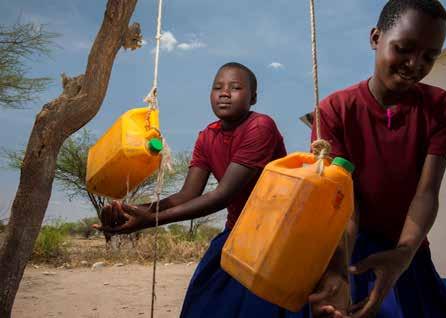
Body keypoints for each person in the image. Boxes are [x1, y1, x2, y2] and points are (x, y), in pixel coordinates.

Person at [94, 62, 311, 317]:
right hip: (237, 233)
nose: (224, 93)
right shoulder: (206, 136)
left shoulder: (260, 127)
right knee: (202, 304)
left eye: (236, 87)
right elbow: (186, 195)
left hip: (276, 237)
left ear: (253, 97)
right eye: (217, 87)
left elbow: (222, 195)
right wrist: (133, 211)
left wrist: (149, 220)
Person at [309, 1, 446, 317]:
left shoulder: (442, 108)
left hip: (407, 248)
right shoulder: (335, 110)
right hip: (352, 249)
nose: (415, 64)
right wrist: (340, 269)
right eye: (404, 48)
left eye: (429, 57)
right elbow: (345, 202)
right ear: (375, 38)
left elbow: (426, 193)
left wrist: (403, 254)